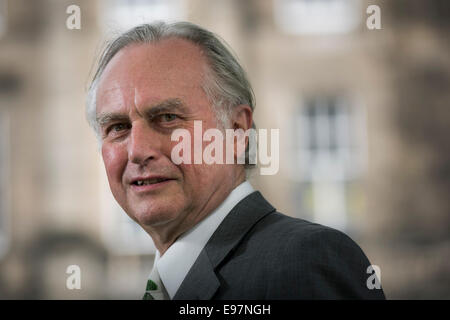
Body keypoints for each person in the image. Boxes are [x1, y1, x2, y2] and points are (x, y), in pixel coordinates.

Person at [86, 21, 385, 300]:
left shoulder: (305, 261)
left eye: (167, 118)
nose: (138, 150)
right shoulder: (167, 284)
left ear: (236, 131)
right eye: (118, 128)